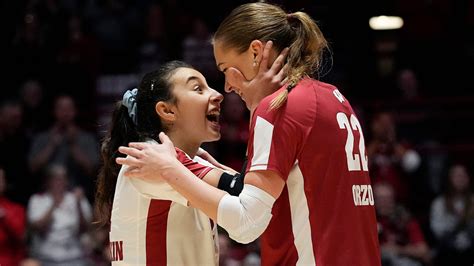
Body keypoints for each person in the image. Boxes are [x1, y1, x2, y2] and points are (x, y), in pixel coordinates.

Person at [116, 2, 381, 265]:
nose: (227, 88)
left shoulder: (278, 109)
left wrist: (167, 169)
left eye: (224, 70)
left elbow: (246, 223)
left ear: (256, 52)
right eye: (200, 88)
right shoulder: (335, 97)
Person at [95, 60, 277, 265]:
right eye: (198, 89)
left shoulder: (178, 160)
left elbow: (254, 198)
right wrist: (260, 107)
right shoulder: (152, 158)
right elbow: (247, 209)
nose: (218, 95)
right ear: (167, 111)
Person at [26, 164, 92, 266]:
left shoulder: (76, 198)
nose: (59, 183)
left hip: (74, 258)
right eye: (56, 179)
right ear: (48, 181)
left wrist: (78, 205)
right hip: (46, 258)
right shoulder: (38, 199)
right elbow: (37, 228)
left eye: (62, 178)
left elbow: (85, 229)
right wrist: (54, 205)